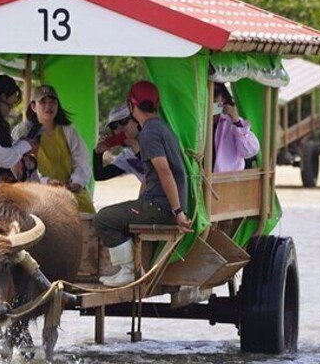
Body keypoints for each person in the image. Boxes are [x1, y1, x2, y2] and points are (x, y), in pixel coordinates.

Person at [93, 80, 192, 286]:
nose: (119, 129)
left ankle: (129, 270)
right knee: (119, 214)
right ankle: (132, 267)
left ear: (131, 106)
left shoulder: (148, 133)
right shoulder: (162, 127)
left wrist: (178, 213)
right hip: (160, 204)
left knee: (103, 218)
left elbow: (164, 172)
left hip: (159, 207)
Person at [13, 84, 95, 212]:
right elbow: (23, 168)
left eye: (52, 102)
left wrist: (77, 182)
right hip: (38, 191)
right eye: (43, 102)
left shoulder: (68, 131)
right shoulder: (24, 133)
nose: (48, 106)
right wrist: (46, 182)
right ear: (33, 106)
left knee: (86, 211)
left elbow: (81, 159)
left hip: (70, 189)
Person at [212, 83, 260, 172]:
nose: (211, 97)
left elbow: (250, 150)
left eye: (215, 92)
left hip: (228, 179)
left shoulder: (232, 122)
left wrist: (236, 121)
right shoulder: (197, 122)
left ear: (223, 98)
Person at [93, 104, 146, 183]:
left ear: (137, 120)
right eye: (113, 126)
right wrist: (98, 154)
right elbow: (99, 176)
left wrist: (138, 152)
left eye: (123, 121)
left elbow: (162, 171)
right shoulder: (127, 156)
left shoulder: (154, 140)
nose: (119, 128)